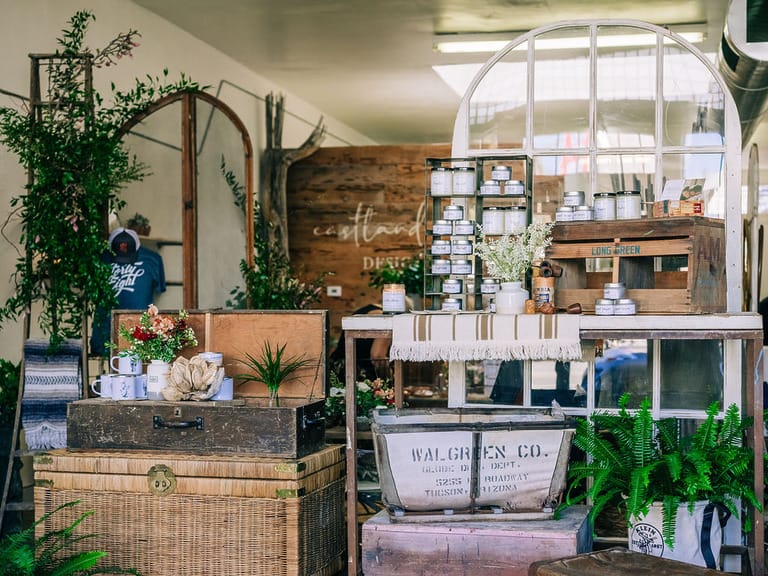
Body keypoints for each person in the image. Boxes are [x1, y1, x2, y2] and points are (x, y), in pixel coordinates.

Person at [89, 227, 166, 356]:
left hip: (140, 330)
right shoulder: (99, 259)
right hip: (105, 332)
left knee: (142, 367)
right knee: (106, 371)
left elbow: (159, 289)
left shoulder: (152, 259)